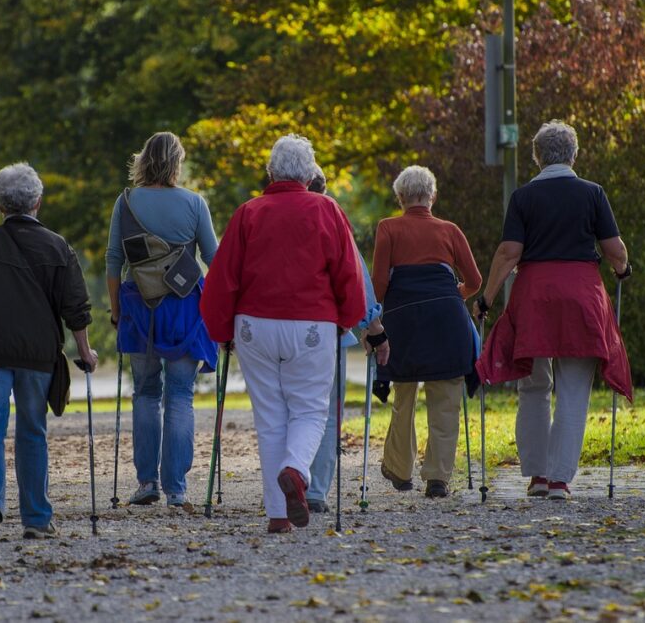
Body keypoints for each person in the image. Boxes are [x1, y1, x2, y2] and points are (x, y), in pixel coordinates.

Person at [200, 134, 366, 533]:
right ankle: (296, 470)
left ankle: (278, 514)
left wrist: (221, 330)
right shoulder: (327, 209)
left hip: (255, 324)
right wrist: (348, 318)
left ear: (271, 171)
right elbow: (348, 273)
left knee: (270, 416)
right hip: (311, 323)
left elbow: (223, 278)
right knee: (310, 409)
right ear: (310, 173)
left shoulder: (248, 213)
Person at [472, 120, 632, 500]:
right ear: (574, 154)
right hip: (581, 296)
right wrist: (623, 270)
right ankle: (561, 480)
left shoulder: (523, 197)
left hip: (534, 297)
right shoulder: (593, 193)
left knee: (533, 385)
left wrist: (487, 299)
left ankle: (537, 476)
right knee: (574, 388)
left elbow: (509, 253)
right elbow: (615, 250)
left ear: (537, 157)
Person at [0, 162, 97, 541]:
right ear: (37, 203)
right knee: (32, 430)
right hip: (36, 354)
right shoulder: (58, 246)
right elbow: (75, 306)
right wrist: (86, 352)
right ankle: (37, 519)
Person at [105, 132, 218, 508]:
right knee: (181, 396)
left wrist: (116, 311)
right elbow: (213, 260)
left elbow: (112, 261)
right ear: (176, 163)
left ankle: (146, 482)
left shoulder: (126, 203)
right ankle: (177, 489)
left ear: (143, 160)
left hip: (139, 306)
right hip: (184, 307)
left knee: (146, 392)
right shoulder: (194, 203)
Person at [372, 165, 482, 498]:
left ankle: (400, 469)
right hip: (446, 321)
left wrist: (374, 318)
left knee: (404, 395)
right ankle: (437, 478)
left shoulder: (387, 228)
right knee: (446, 397)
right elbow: (475, 281)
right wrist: (452, 296)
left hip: (403, 322)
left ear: (400, 197)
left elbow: (379, 284)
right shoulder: (450, 230)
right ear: (432, 196)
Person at [305, 169, 388, 514]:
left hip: (276, 329)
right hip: (329, 331)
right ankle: (316, 490)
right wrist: (375, 330)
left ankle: (289, 480)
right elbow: (356, 278)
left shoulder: (267, 214)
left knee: (288, 411)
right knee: (326, 413)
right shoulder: (333, 218)